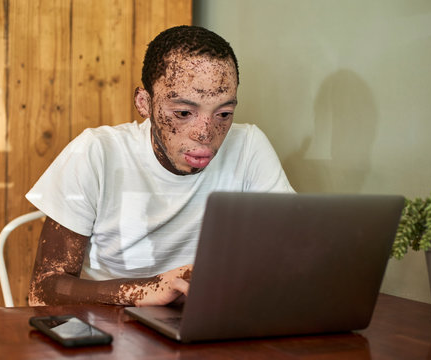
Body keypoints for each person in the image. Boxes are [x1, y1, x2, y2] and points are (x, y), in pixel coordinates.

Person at [26, 25, 294, 307]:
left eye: (224, 114)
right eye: (182, 113)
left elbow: (290, 253)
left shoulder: (248, 145)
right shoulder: (97, 152)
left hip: (207, 323)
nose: (205, 133)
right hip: (112, 328)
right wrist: (145, 291)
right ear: (145, 103)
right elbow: (42, 291)